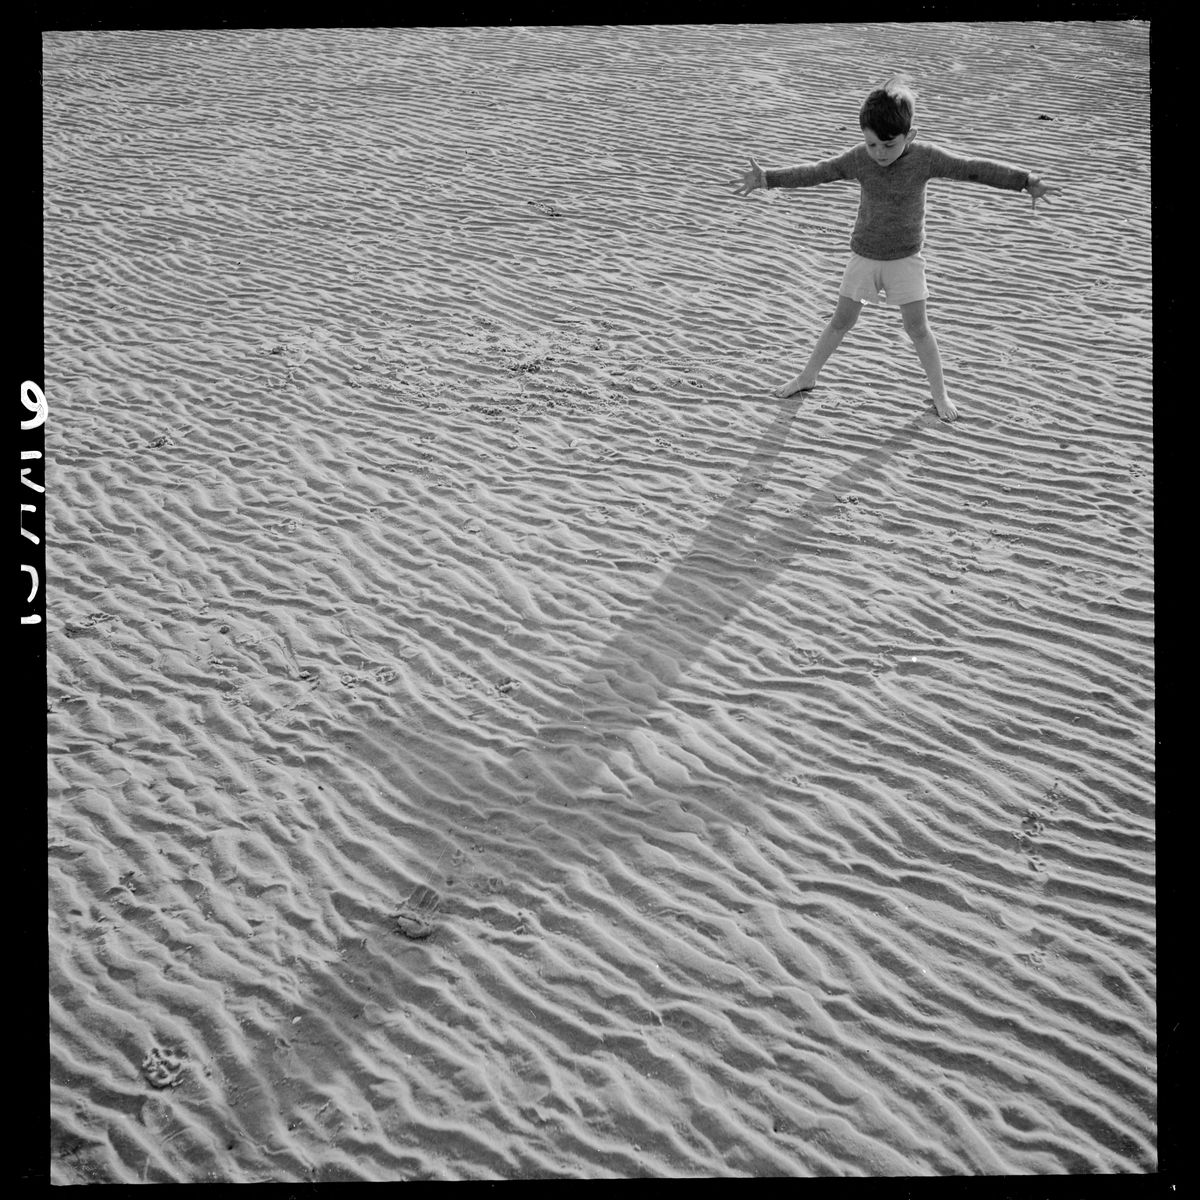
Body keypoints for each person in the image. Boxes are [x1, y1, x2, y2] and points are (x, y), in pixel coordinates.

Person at [730, 74, 1057, 421]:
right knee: (841, 321)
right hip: (865, 257)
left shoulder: (926, 158)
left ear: (909, 136)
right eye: (872, 144)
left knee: (918, 329)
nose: (879, 153)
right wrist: (768, 178)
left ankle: (940, 394)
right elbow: (819, 172)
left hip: (905, 261)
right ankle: (807, 376)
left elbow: (971, 169)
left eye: (889, 145)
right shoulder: (860, 158)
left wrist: (1024, 181)